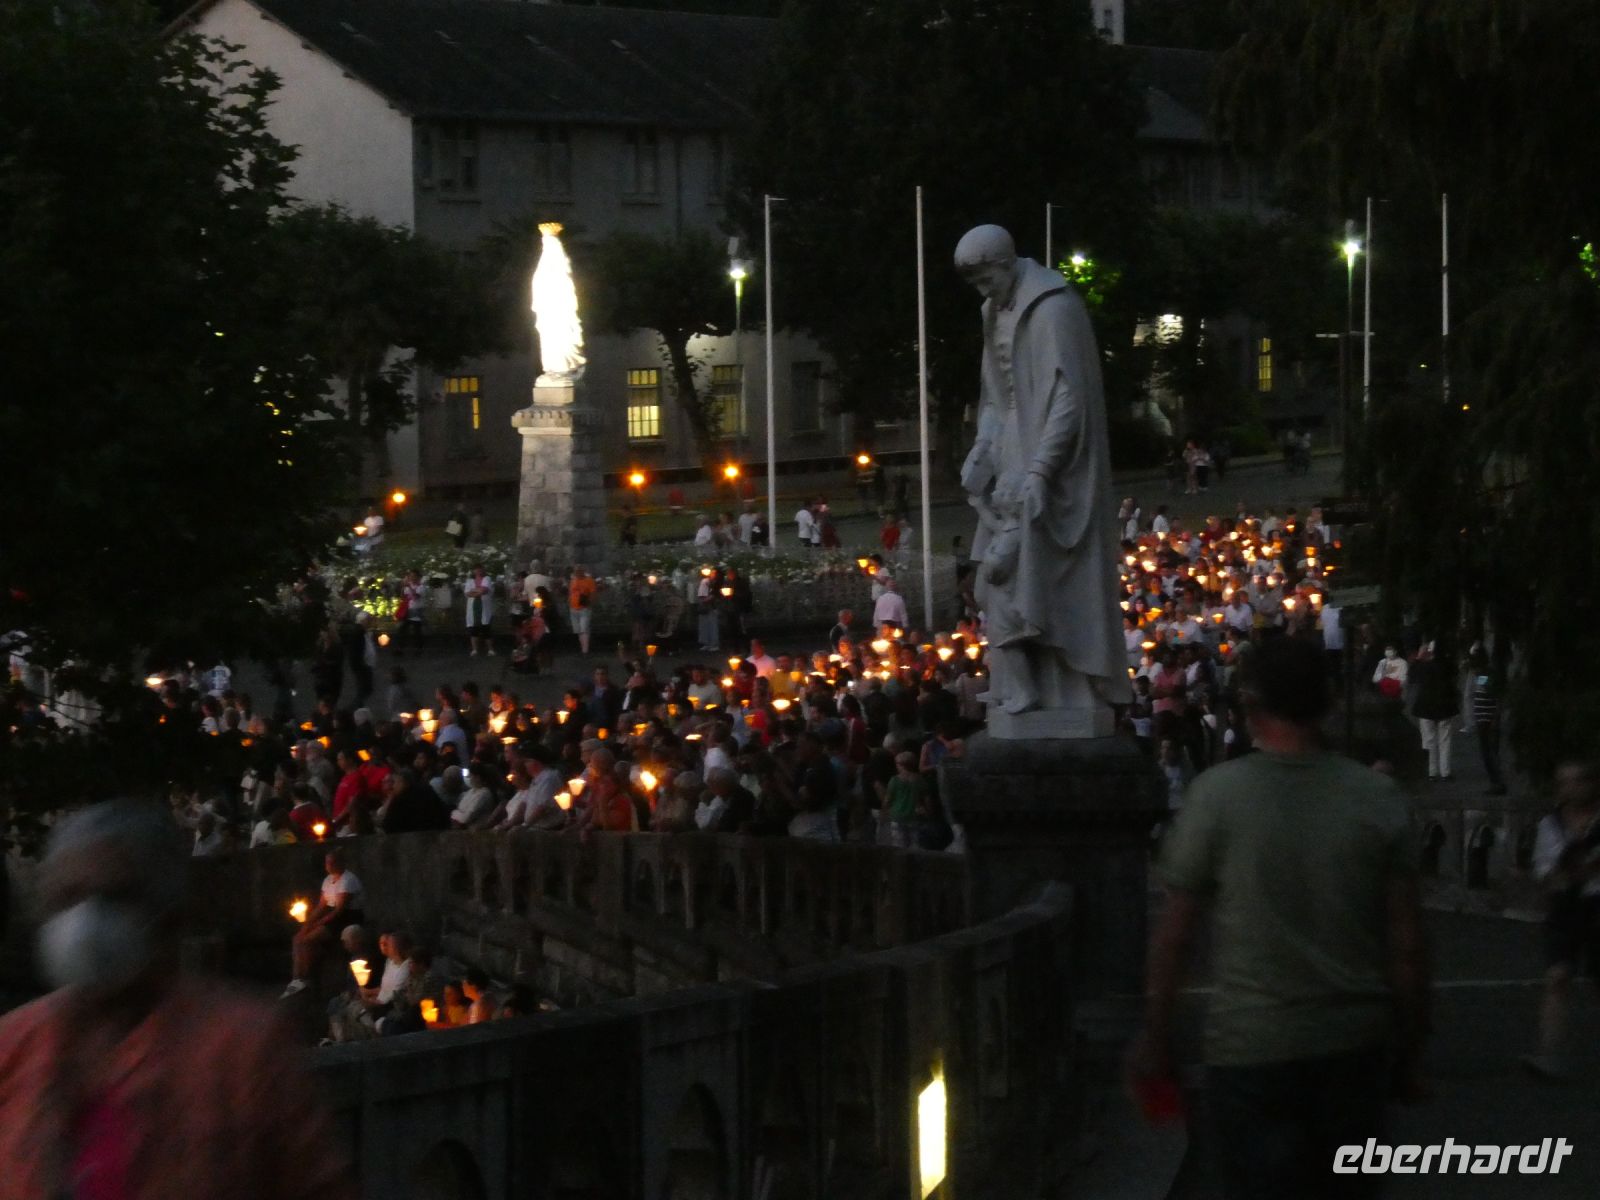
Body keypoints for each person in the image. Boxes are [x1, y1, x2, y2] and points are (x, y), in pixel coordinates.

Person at [1129, 637, 1428, 1199]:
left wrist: (1156, 1035)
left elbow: (1176, 935)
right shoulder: (1377, 798)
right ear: (1328, 701)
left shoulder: (1218, 796)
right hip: (1354, 1045)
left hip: (1251, 1047)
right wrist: (1410, 1050)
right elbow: (1407, 946)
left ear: (1250, 704)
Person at [0, 801, 355, 1198]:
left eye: (115, 896)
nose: (87, 920)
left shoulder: (244, 1049)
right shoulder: (14, 1046)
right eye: (70, 897)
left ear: (166, 913)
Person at [955, 225, 1129, 721]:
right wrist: (984, 449)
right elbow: (998, 395)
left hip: (1050, 464)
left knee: (1022, 575)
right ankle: (1018, 681)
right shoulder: (991, 311)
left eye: (986, 277)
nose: (982, 289)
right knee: (992, 581)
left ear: (1007, 263)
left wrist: (1040, 470)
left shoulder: (1055, 308)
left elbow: (1067, 399)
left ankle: (1060, 689)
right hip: (1011, 454)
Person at [1523, 760, 1600, 1079]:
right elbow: (1544, 868)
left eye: (1576, 781)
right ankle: (1550, 1054)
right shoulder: (1551, 824)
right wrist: (1560, 876)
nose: (1569, 789)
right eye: (1563, 783)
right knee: (1557, 977)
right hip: (1566, 907)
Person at [284, 848, 366, 996]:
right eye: (327, 862)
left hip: (346, 918)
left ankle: (305, 977)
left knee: (307, 941)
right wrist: (308, 923)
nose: (328, 865)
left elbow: (339, 910)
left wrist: (317, 924)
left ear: (340, 863)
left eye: (331, 862)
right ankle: (296, 978)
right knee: (297, 939)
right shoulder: (328, 880)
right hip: (331, 916)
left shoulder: (348, 880)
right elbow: (322, 905)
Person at [1411, 641, 1459, 781]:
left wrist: (1419, 657)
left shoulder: (1422, 666)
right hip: (1444, 706)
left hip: (1425, 706)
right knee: (1445, 740)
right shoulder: (1447, 665)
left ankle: (1432, 772)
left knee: (1428, 740)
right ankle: (1445, 771)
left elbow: (1412, 676)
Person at [463, 564, 496, 657]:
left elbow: (484, 591)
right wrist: (478, 591)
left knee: (486, 629)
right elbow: (467, 593)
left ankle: (490, 649)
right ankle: (474, 649)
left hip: (484, 607)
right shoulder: (469, 581)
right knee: (473, 630)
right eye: (476, 569)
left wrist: (474, 591)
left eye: (479, 569)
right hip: (473, 608)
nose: (478, 571)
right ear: (473, 571)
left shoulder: (487, 579)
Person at [568, 565, 598, 656]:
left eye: (579, 571)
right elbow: (571, 592)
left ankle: (585, 650)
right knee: (578, 630)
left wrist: (589, 604)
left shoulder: (589, 581)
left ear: (583, 571)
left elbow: (593, 593)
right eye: (575, 571)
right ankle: (583, 647)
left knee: (584, 628)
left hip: (584, 608)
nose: (577, 573)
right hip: (573, 608)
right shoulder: (573, 580)